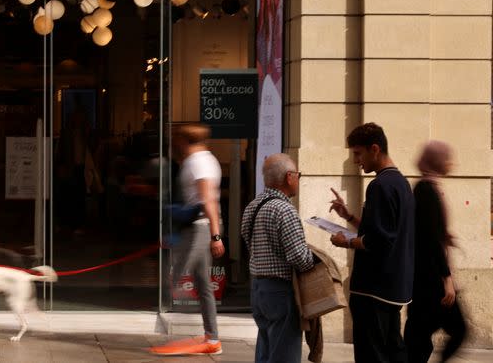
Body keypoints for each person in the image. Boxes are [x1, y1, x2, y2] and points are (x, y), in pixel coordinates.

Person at [329, 122, 415, 363]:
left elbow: (378, 240)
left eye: (358, 153)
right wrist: (349, 218)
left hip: (373, 290)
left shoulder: (380, 186)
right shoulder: (401, 184)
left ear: (374, 149)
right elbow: (386, 231)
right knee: (393, 351)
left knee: (372, 355)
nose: (357, 161)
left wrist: (345, 242)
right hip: (393, 288)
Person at [149, 123, 224, 356]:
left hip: (201, 228)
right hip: (199, 226)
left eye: (176, 141)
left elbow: (208, 200)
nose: (174, 145)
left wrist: (215, 237)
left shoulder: (200, 162)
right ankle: (212, 338)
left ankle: (210, 336)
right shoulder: (204, 159)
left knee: (176, 275)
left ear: (184, 142)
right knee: (202, 285)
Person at [241, 153, 314, 363]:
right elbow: (299, 257)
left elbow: (248, 242)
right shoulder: (285, 210)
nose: (299, 180)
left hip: (258, 289)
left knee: (265, 351)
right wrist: (314, 259)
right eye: (299, 175)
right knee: (284, 355)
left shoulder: (253, 206)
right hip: (281, 291)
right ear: (289, 177)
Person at [403, 141, 467, 362]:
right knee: (454, 331)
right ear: (436, 161)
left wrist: (446, 236)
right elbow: (429, 238)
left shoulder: (429, 187)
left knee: (419, 339)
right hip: (430, 279)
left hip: (426, 277)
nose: (451, 162)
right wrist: (446, 278)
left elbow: (431, 232)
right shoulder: (426, 190)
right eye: (447, 158)